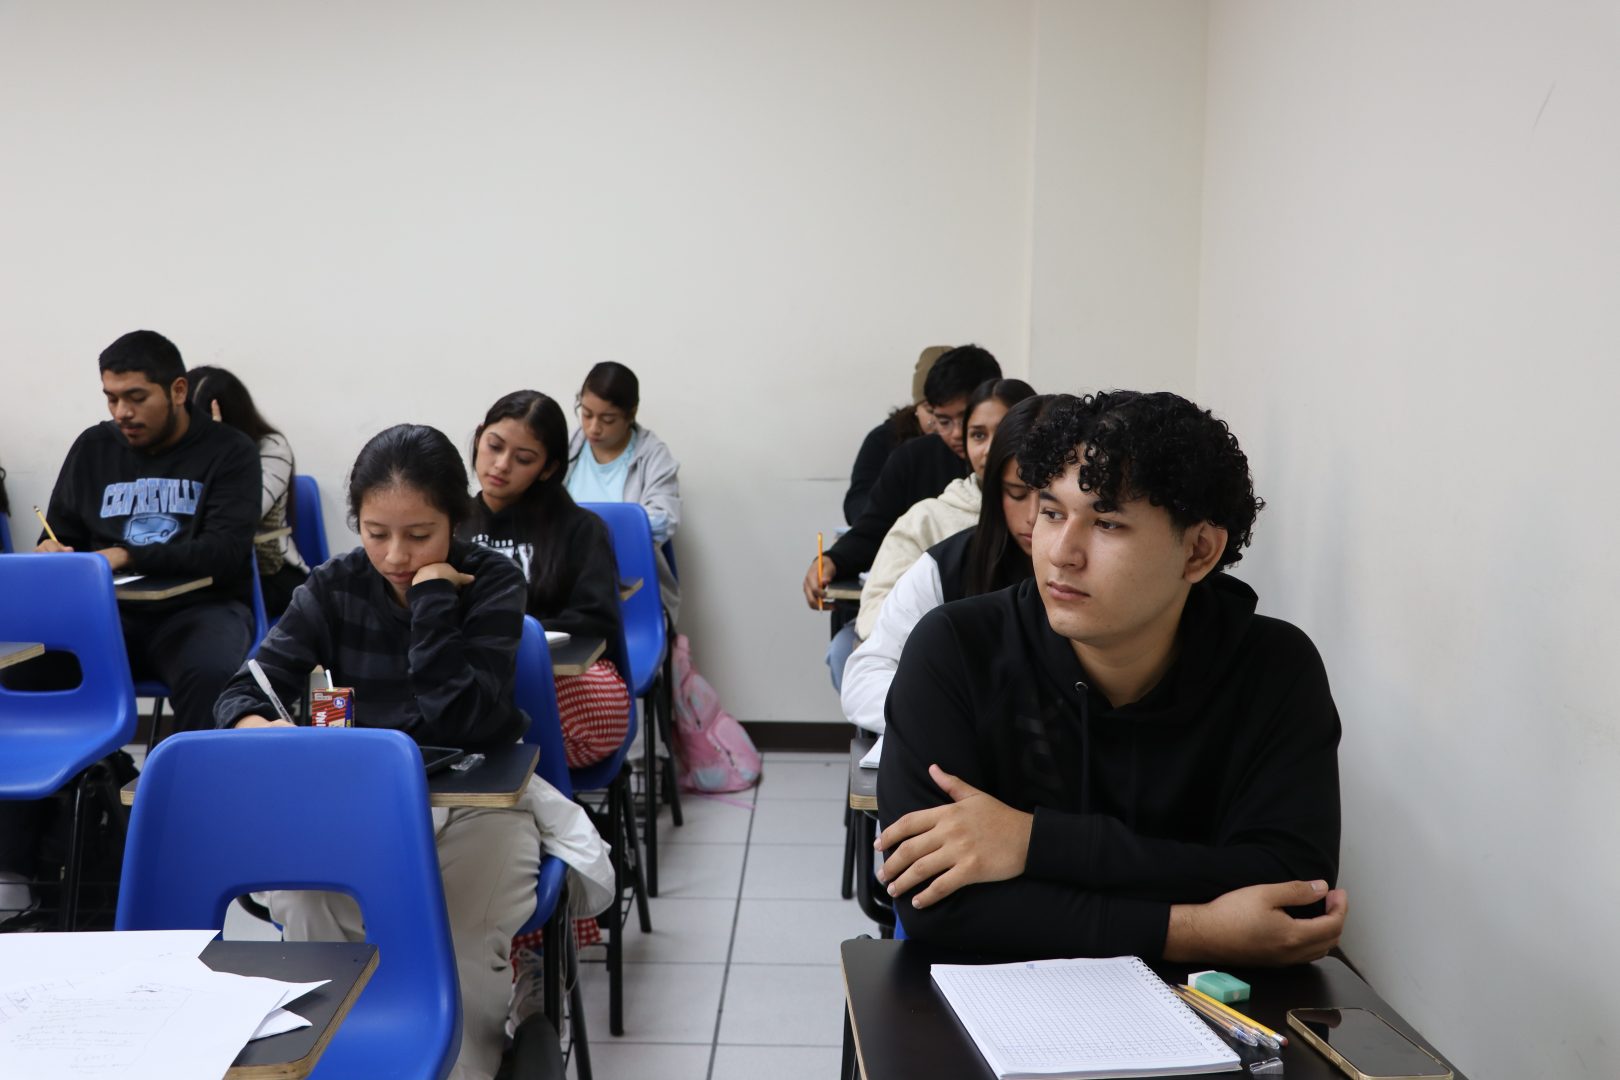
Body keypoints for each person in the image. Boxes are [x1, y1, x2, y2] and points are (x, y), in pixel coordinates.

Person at [875, 391, 1348, 964]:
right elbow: (931, 902)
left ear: (1198, 551)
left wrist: (1033, 842)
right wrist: (1195, 929)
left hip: (1215, 1006)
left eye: (1106, 522)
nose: (1062, 553)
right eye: (1052, 513)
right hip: (991, 1001)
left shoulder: (1275, 668)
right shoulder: (955, 648)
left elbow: (1294, 889)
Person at [214, 423, 564, 1080]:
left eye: (420, 535)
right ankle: (345, 1061)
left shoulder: (490, 582)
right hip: (364, 810)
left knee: (458, 931)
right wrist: (267, 733)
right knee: (305, 900)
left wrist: (432, 596)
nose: (397, 555)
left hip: (478, 806)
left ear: (455, 522)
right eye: (377, 533)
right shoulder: (335, 586)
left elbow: (462, 715)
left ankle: (460, 1065)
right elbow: (243, 690)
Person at [0, 330, 260, 925]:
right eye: (111, 397)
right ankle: (13, 869)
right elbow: (60, 532)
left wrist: (126, 554)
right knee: (22, 673)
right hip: (106, 618)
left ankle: (189, 843)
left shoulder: (229, 451)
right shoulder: (94, 448)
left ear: (178, 390)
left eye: (136, 397)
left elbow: (223, 553)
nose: (121, 412)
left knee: (212, 674)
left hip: (198, 610)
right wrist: (52, 552)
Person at [842, 394, 1050, 734]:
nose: (1033, 516)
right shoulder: (945, 564)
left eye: (1052, 502)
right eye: (1016, 493)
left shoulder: (1102, 570)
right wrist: (951, 716)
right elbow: (866, 676)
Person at [474, 390, 631, 768]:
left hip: (554, 680)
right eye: (494, 446)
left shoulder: (580, 529)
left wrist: (519, 637)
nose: (501, 465)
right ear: (479, 438)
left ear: (547, 468)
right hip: (477, 678)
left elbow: (596, 621)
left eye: (523, 459)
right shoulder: (447, 525)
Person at [802, 344, 1002, 611]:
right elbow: (873, 529)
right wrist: (832, 560)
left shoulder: (1024, 463)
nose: (956, 434)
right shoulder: (913, 458)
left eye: (965, 419)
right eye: (943, 422)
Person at [853, 378, 1035, 643]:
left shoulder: (1066, 519)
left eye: (1006, 433)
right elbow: (877, 616)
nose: (990, 449)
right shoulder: (927, 520)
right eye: (978, 435)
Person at [564, 361, 683, 624]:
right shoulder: (567, 448)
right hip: (566, 583)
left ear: (631, 414)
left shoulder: (653, 456)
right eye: (586, 414)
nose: (593, 427)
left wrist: (586, 528)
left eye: (607, 419)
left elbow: (663, 520)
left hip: (631, 584)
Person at [186, 365, 310, 617]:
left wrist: (218, 451)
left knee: (201, 609)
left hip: (270, 573)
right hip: (198, 572)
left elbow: (240, 513)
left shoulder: (272, 448)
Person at [844, 345, 951, 525]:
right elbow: (857, 503)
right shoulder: (884, 439)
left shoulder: (969, 445)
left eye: (954, 415)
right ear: (916, 408)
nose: (940, 422)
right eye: (931, 411)